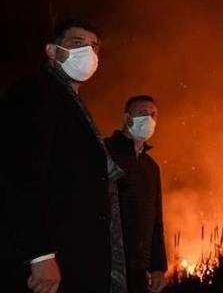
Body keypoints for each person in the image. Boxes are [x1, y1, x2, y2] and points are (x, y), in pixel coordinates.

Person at [1, 19, 127, 293]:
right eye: (78, 43)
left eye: (94, 47)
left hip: (76, 256)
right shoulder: (34, 93)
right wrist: (40, 254)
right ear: (51, 50)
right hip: (55, 262)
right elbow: (19, 175)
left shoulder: (70, 102)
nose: (89, 53)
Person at [105, 96, 167, 293]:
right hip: (106, 261)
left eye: (153, 114)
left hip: (138, 266)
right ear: (126, 118)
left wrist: (157, 267)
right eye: (142, 113)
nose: (149, 118)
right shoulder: (104, 151)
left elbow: (156, 219)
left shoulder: (151, 167)